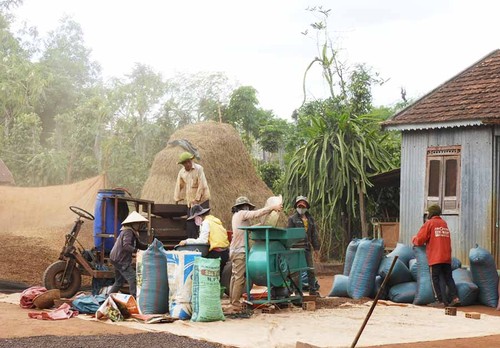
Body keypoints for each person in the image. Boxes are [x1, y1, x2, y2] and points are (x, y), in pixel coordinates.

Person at [229, 196, 282, 311]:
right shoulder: (242, 213)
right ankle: (235, 303)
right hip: (240, 250)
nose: (248, 208)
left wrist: (261, 224)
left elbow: (249, 228)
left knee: (234, 276)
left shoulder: (237, 217)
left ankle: (232, 301)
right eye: (247, 206)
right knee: (239, 278)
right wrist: (273, 207)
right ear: (243, 206)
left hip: (234, 249)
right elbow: (257, 213)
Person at [412, 204, 460, 307]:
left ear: (431, 213)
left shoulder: (429, 223)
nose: (427, 214)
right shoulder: (444, 223)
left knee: (435, 278)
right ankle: (455, 298)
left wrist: (414, 239)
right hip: (446, 257)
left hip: (436, 257)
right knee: (449, 278)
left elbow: (420, 240)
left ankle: (440, 301)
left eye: (428, 212)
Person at [179, 204, 230, 277]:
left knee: (203, 270)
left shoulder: (205, 223)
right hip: (225, 252)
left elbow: (203, 241)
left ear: (198, 216)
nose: (195, 220)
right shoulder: (215, 220)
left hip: (216, 253)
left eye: (195, 218)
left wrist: (187, 241)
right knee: (218, 277)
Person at [108, 211, 149, 298]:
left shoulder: (131, 232)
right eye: (137, 224)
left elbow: (139, 244)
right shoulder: (128, 232)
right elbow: (126, 246)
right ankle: (134, 299)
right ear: (132, 224)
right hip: (120, 260)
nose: (139, 226)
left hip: (115, 258)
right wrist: (137, 251)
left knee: (119, 282)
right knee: (133, 279)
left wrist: (149, 247)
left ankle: (107, 298)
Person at [287, 196, 320, 296]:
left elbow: (314, 234)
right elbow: (289, 234)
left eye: (303, 206)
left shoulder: (310, 219)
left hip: (306, 247)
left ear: (306, 207)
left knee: (310, 269)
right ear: (296, 207)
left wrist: (316, 248)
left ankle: (312, 290)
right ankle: (297, 292)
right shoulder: (292, 219)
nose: (301, 208)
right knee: (296, 271)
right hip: (296, 249)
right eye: (299, 206)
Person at [173, 151, 210, 238]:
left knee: (201, 222)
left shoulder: (199, 169)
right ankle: (192, 242)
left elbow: (202, 184)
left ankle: (202, 241)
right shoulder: (181, 172)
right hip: (191, 202)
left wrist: (197, 199)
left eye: (189, 161)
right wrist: (176, 198)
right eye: (185, 163)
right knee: (190, 223)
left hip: (202, 200)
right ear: (183, 164)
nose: (188, 164)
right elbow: (179, 185)